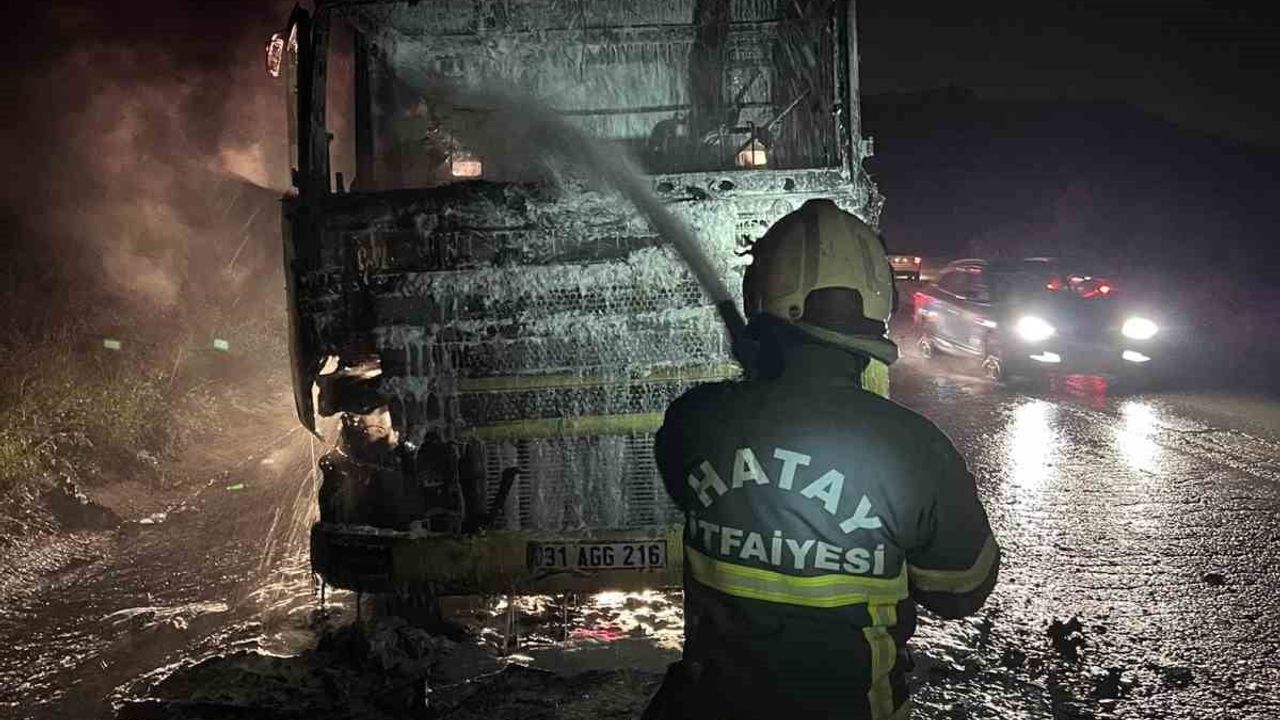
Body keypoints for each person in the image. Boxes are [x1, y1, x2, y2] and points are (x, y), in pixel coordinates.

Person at [642, 199, 1000, 720]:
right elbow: (963, 589)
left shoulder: (695, 419)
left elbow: (686, 486)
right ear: (880, 305)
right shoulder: (918, 447)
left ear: (759, 295)